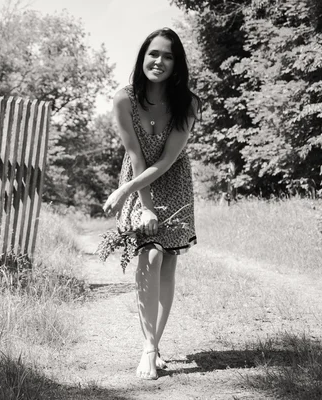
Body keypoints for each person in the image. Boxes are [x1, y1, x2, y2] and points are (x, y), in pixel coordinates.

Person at [102, 27, 201, 380]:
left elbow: (167, 160)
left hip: (173, 182)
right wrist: (140, 203)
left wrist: (123, 191)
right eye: (153, 54)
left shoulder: (187, 104)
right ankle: (147, 349)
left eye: (168, 56)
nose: (159, 61)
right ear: (143, 57)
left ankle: (154, 343)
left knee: (168, 262)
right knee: (150, 253)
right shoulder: (124, 99)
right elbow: (137, 156)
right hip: (139, 180)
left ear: (178, 65)